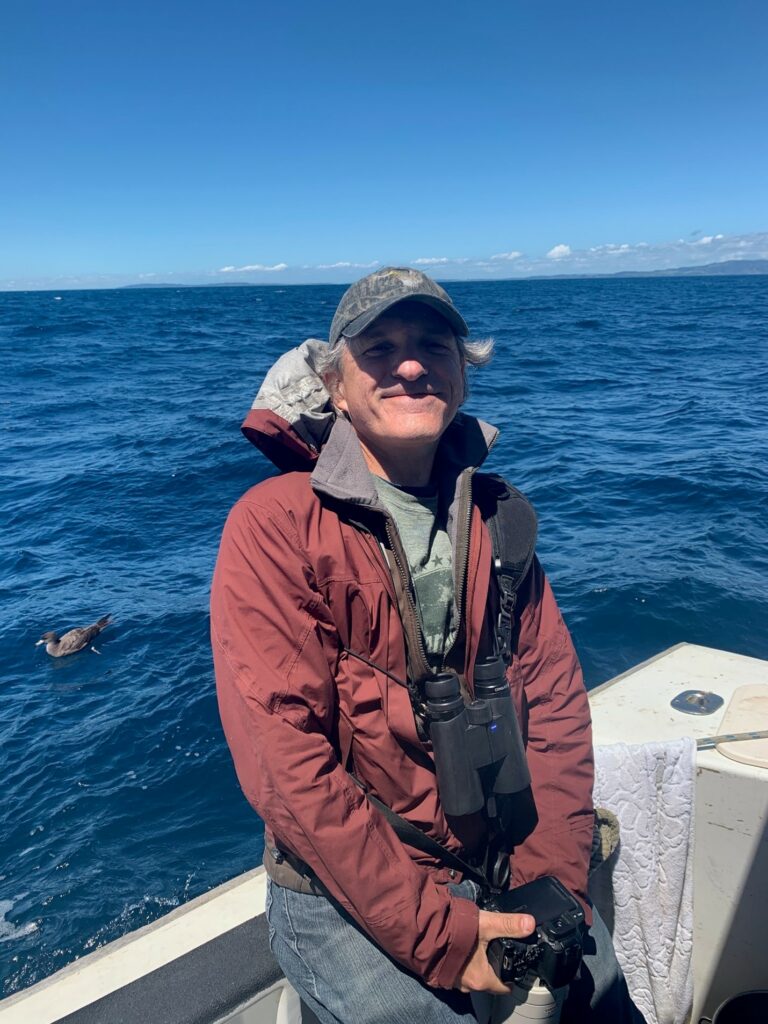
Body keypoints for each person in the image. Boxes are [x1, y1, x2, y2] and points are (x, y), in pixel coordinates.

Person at [211, 267, 642, 1023]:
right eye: (379, 348)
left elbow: (557, 712)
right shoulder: (273, 524)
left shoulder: (502, 519)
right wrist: (443, 936)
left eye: (431, 344)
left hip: (501, 856)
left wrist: (555, 887)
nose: (409, 364)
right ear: (336, 388)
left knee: (603, 1003)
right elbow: (288, 767)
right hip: (344, 889)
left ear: (462, 376)